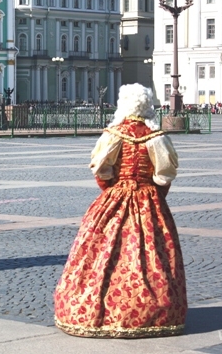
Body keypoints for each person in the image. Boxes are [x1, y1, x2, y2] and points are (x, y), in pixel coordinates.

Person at [54, 83, 186, 338]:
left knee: (101, 253)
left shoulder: (113, 134)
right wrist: (154, 197)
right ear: (147, 105)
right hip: (149, 199)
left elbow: (101, 171)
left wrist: (112, 190)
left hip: (115, 198)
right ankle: (153, 310)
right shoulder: (156, 136)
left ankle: (100, 309)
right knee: (154, 253)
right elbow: (165, 176)